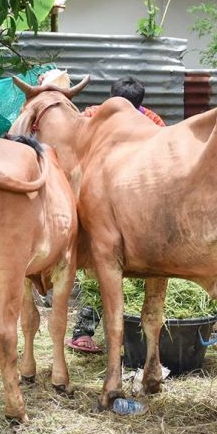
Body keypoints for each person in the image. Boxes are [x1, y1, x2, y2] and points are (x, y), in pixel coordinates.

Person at [67, 76, 164, 354]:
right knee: (95, 270)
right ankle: (84, 331)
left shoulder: (153, 123)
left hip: (136, 203)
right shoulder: (93, 117)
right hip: (97, 203)